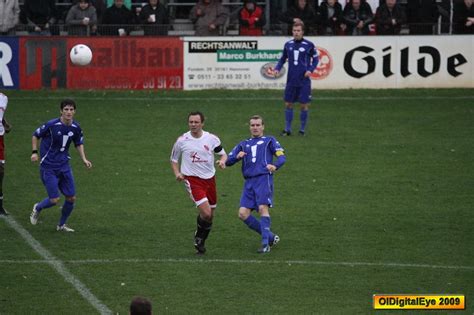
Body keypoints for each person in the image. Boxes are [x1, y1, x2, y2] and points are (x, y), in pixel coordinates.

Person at [225, 115, 286, 253]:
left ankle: (265, 245)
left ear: (263, 126)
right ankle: (269, 236)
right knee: (242, 213)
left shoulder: (270, 140)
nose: (255, 127)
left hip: (263, 179)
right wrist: (236, 157)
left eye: (258, 125)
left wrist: (275, 166)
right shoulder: (243, 143)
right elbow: (228, 161)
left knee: (263, 208)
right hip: (249, 182)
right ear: (249, 127)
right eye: (253, 125)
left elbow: (282, 157)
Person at [30, 99, 92, 232]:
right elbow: (35, 135)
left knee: (71, 198)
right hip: (49, 167)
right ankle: (38, 208)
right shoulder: (52, 125)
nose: (69, 112)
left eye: (71, 109)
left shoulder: (76, 127)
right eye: (66, 109)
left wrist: (84, 159)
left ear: (74, 111)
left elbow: (78, 143)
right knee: (54, 200)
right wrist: (34, 152)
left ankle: (61, 225)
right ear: (61, 111)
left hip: (64, 166)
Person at [170, 112, 227, 255]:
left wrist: (222, 161)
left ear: (202, 123)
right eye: (191, 122)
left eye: (196, 122)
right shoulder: (182, 140)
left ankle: (200, 239)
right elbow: (174, 159)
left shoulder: (211, 139)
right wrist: (177, 173)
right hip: (192, 180)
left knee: (210, 215)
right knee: (206, 212)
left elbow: (223, 154)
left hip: (210, 180)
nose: (193, 125)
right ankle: (199, 239)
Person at [273, 21, 319, 137]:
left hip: (304, 81)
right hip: (291, 80)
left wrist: (310, 70)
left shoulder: (309, 45)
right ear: (292, 31)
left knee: (304, 105)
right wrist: (277, 68)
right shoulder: (288, 44)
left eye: (298, 31)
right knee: (288, 104)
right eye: (294, 30)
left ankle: (302, 130)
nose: (296, 33)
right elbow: (283, 59)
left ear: (302, 32)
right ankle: (287, 129)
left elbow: (316, 60)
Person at [0, 93, 12, 216]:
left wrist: (4, 123)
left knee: (1, 171)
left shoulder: (3, 98)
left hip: (0, 138)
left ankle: (0, 205)